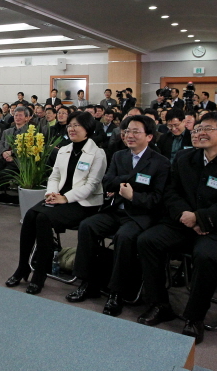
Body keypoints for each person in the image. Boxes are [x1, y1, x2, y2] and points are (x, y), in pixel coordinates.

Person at [136, 112, 217, 344]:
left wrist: (201, 218)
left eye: (207, 128)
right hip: (182, 223)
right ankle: (159, 304)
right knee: (148, 240)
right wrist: (185, 216)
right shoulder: (184, 158)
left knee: (205, 255)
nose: (200, 132)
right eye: (198, 127)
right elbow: (171, 193)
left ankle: (195, 317)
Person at [67, 115, 170, 316]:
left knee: (124, 237)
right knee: (88, 226)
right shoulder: (119, 156)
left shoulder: (161, 162)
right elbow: (108, 182)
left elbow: (157, 198)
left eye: (135, 132)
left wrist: (133, 195)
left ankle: (117, 292)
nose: (129, 136)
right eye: (127, 131)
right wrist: (129, 182)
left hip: (140, 215)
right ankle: (88, 282)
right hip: (116, 210)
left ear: (149, 136)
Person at [5, 111, 106, 295]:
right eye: (70, 125)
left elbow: (91, 186)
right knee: (30, 215)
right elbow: (55, 176)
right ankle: (23, 267)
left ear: (88, 129)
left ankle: (40, 274)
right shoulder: (65, 149)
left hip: (83, 203)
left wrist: (65, 198)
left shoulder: (97, 153)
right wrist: (52, 193)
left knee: (43, 218)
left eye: (77, 125)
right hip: (59, 198)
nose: (72, 129)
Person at [0, 106, 33, 212]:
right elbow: (0, 145)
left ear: (27, 118)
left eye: (20, 115)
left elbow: (27, 148)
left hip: (18, 161)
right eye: (16, 115)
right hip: (3, 158)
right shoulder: (7, 131)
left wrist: (12, 153)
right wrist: (4, 153)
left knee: (2, 175)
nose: (17, 117)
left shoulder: (30, 132)